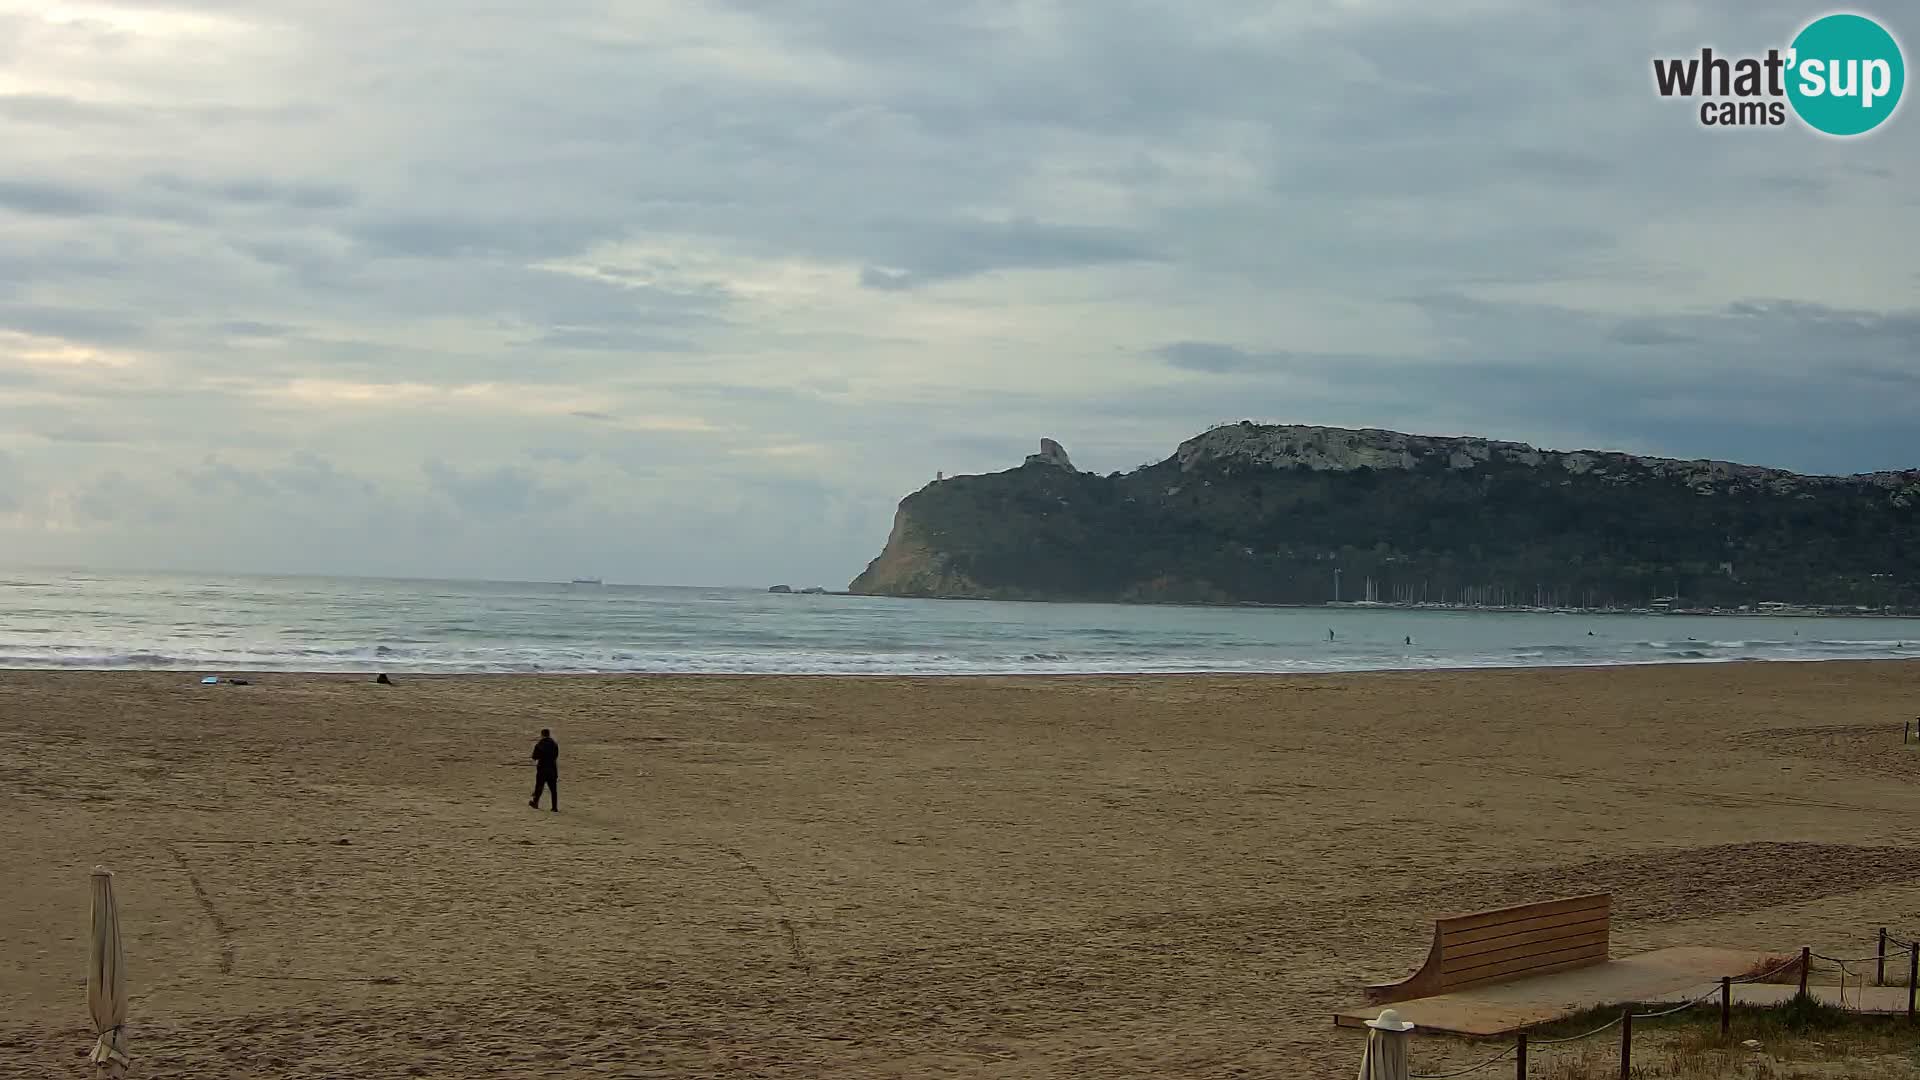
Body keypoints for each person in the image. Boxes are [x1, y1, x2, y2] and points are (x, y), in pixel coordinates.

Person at [529, 729, 559, 812]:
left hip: (542, 768)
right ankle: (554, 807)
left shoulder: (539, 744)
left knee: (539, 786)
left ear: (542, 735)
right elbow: (556, 756)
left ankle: (535, 803)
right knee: (553, 789)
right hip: (552, 768)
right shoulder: (554, 744)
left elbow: (534, 757)